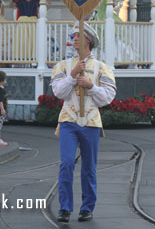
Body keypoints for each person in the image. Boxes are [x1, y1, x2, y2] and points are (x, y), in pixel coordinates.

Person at [51, 24, 117, 223]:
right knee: (67, 163)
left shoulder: (101, 68)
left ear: (88, 40)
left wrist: (91, 86)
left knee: (89, 166)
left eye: (78, 35)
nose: (74, 38)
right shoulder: (63, 66)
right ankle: (65, 207)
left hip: (90, 121)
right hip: (68, 120)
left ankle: (87, 207)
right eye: (74, 36)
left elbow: (107, 97)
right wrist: (72, 75)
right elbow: (58, 93)